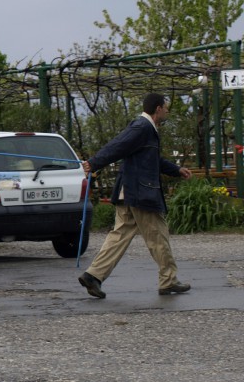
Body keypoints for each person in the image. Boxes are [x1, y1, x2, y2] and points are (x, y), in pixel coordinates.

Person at [78, 92, 193, 299]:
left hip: (129, 191)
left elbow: (151, 159)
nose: (167, 111)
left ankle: (93, 275)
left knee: (119, 236)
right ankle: (168, 281)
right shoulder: (142, 127)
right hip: (141, 193)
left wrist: (176, 170)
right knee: (159, 236)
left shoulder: (146, 129)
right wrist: (94, 163)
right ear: (158, 108)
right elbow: (118, 145)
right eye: (166, 107)